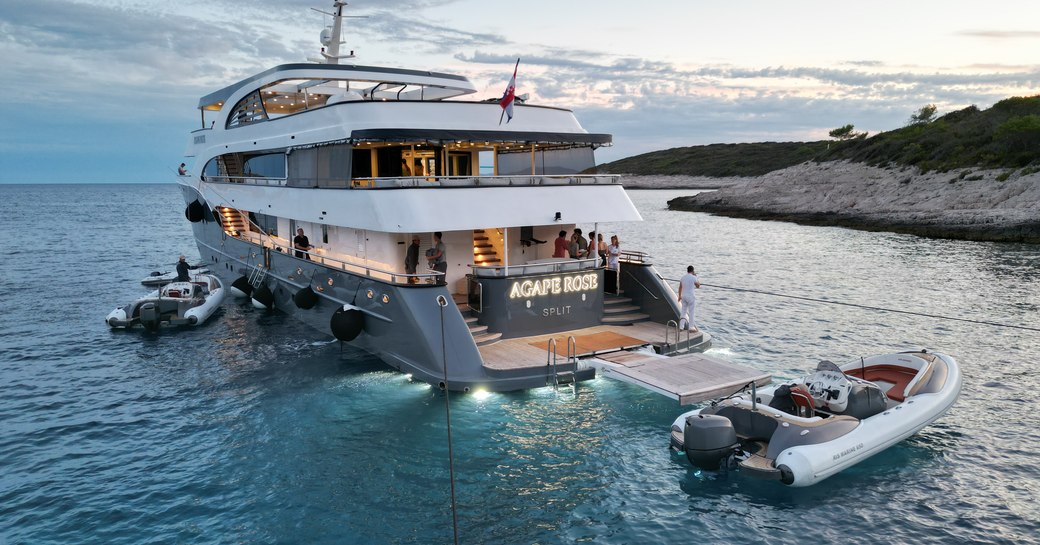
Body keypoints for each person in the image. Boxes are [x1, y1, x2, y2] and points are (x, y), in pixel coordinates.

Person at [677, 265, 701, 331]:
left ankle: (681, 327)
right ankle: (691, 327)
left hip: (683, 296)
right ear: (693, 271)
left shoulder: (683, 277)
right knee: (691, 312)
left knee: (683, 312)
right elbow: (698, 286)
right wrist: (696, 277)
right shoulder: (693, 277)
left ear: (687, 271)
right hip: (690, 296)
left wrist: (679, 296)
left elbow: (680, 287)